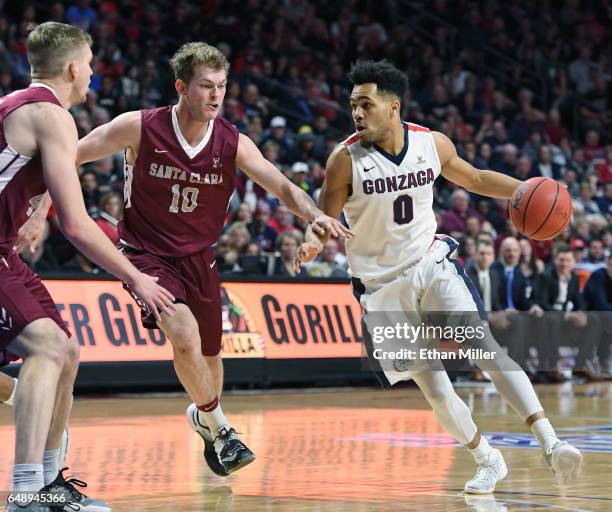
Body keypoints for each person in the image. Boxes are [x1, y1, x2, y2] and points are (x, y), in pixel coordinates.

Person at [18, 42, 350, 478]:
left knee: (211, 358)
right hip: (146, 254)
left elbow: (284, 188)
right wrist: (41, 209)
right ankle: (222, 427)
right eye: (206, 86)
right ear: (181, 86)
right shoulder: (139, 127)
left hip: (200, 257)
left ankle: (206, 417)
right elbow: (68, 157)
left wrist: (316, 214)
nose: (216, 96)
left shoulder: (233, 141)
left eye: (222, 87)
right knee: (184, 332)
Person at [294, 60, 582, 494]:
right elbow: (324, 220)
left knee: (484, 349)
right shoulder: (343, 161)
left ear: (393, 106)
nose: (356, 113)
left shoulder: (432, 143)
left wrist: (525, 189)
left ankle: (551, 443)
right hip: (380, 288)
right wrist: (313, 241)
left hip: (430, 264)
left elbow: (477, 178)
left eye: (365, 104)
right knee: (433, 386)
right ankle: (486, 457)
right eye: (353, 105)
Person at [2, 22, 175, 512]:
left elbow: (25, 181)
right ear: (74, 67)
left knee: (67, 354)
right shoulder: (52, 116)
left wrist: (32, 211)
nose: (94, 74)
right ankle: (25, 492)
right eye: (92, 64)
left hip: (3, 252)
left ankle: (51, 482)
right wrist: (137, 277)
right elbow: (77, 226)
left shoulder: (16, 105)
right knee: (47, 347)